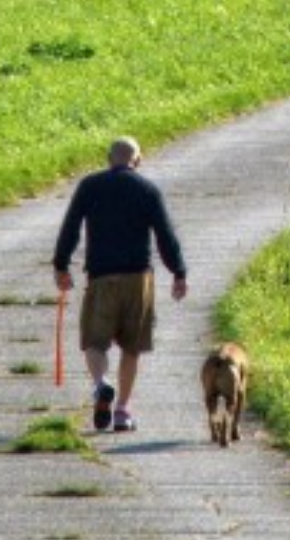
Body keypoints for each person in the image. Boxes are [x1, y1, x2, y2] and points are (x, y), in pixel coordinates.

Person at [52, 136, 188, 432]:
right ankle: (123, 412)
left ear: (108, 158)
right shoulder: (148, 190)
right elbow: (165, 235)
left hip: (102, 277)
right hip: (139, 278)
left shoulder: (90, 186)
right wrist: (178, 272)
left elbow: (71, 228)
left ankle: (102, 384)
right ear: (137, 161)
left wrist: (61, 265)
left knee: (94, 342)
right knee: (132, 346)